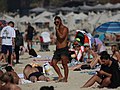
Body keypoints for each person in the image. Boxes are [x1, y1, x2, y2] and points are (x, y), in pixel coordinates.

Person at [51, 16, 69, 82]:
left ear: (60, 21)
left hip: (64, 48)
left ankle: (66, 78)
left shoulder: (65, 28)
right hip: (58, 49)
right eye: (55, 22)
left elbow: (61, 37)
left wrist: (57, 30)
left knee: (64, 64)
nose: (56, 23)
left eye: (58, 22)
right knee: (53, 63)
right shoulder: (57, 29)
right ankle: (60, 76)